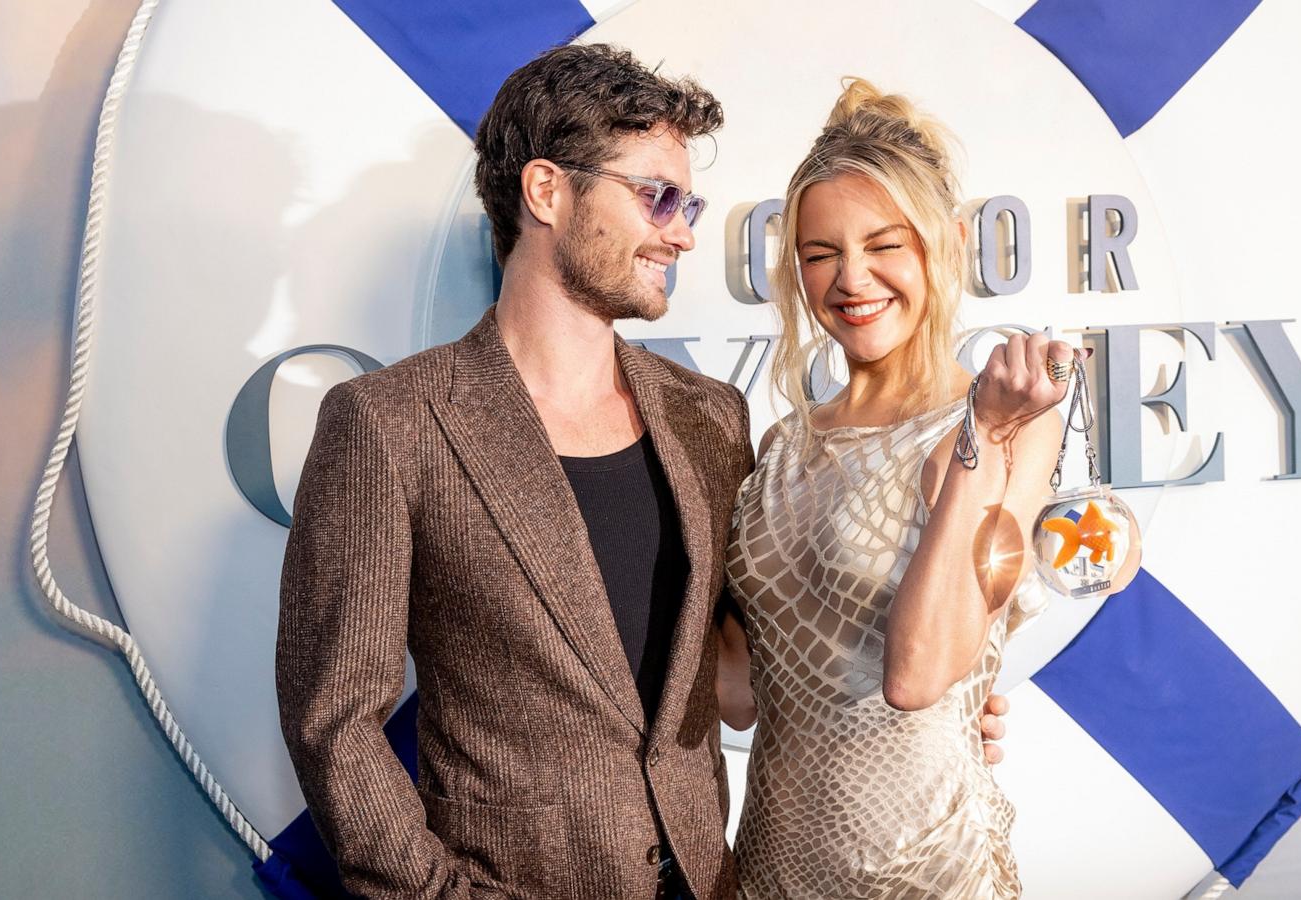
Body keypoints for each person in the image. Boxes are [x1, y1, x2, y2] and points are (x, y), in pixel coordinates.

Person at [275, 44, 740, 899]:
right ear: (547, 192)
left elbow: (743, 672)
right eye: (657, 197)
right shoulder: (389, 424)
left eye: (689, 202)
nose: (681, 230)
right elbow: (333, 720)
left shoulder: (710, 417)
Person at [716, 79, 1076, 899]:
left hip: (925, 873)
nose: (851, 279)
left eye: (885, 245)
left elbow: (919, 674)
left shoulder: (1014, 427)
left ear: (944, 243)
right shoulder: (782, 446)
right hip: (770, 869)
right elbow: (736, 693)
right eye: (820, 254)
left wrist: (980, 431)